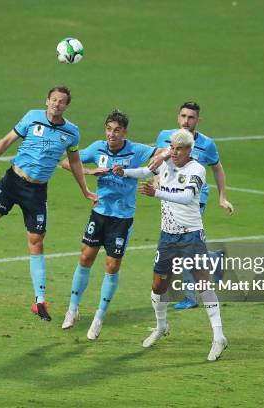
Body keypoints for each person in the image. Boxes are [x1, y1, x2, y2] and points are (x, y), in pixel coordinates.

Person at [0, 86, 97, 322]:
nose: (56, 104)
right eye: (53, 100)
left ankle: (39, 300)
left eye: (62, 102)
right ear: (47, 101)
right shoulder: (32, 117)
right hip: (12, 181)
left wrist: (84, 189)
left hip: (36, 192)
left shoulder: (71, 132)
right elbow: (7, 140)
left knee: (36, 242)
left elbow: (74, 162)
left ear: (67, 106)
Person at [114, 129, 228, 361]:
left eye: (178, 149)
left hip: (191, 236)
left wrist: (157, 193)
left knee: (203, 285)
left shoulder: (197, 170)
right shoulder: (166, 159)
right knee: (158, 285)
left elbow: (187, 197)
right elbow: (147, 170)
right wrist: (124, 171)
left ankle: (219, 337)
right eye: (172, 147)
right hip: (167, 236)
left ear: (189, 150)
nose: (174, 152)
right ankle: (161, 327)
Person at [59, 110, 156, 340]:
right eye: (109, 129)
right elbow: (66, 162)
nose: (112, 134)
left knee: (112, 267)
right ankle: (72, 309)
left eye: (117, 130)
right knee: (85, 258)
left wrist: (158, 168)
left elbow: (160, 152)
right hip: (99, 213)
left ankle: (99, 317)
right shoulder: (97, 148)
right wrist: (90, 170)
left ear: (125, 132)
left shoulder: (135, 150)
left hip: (121, 219)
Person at [149, 101, 234, 310]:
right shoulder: (165, 136)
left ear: (198, 120)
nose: (187, 121)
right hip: (171, 195)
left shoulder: (207, 144)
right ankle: (214, 259)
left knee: (183, 246)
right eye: (184, 116)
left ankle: (190, 296)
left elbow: (217, 168)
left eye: (191, 117)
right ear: (178, 117)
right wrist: (156, 179)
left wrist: (222, 197)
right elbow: (156, 160)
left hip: (194, 199)